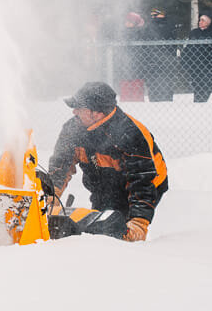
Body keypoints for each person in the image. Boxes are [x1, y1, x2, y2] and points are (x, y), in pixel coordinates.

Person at [40, 80, 169, 242]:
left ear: (97, 113)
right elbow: (60, 166)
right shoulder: (72, 130)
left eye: (80, 108)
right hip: (103, 182)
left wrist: (139, 223)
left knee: (121, 230)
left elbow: (142, 181)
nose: (74, 112)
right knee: (100, 224)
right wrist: (50, 197)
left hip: (147, 183)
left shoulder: (130, 134)